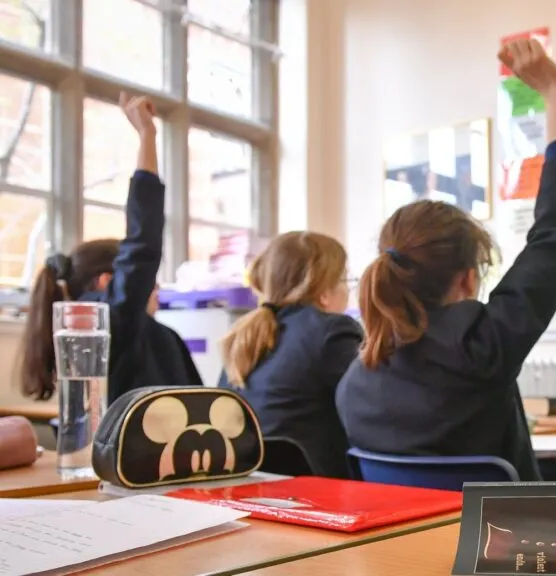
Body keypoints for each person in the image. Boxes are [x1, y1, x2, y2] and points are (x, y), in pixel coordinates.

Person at [337, 38, 556, 482]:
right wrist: (555, 92)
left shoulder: (354, 382)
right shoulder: (484, 347)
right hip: (506, 549)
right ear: (468, 281)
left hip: (397, 553)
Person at [19, 93, 203, 405]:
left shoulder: (155, 335)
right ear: (106, 282)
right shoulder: (105, 326)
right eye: (149, 281)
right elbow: (142, 244)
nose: (154, 287)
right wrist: (147, 137)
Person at [219, 231, 361, 478]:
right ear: (324, 293)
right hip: (318, 489)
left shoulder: (243, 336)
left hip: (250, 483)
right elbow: (364, 411)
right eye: (345, 280)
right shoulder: (333, 330)